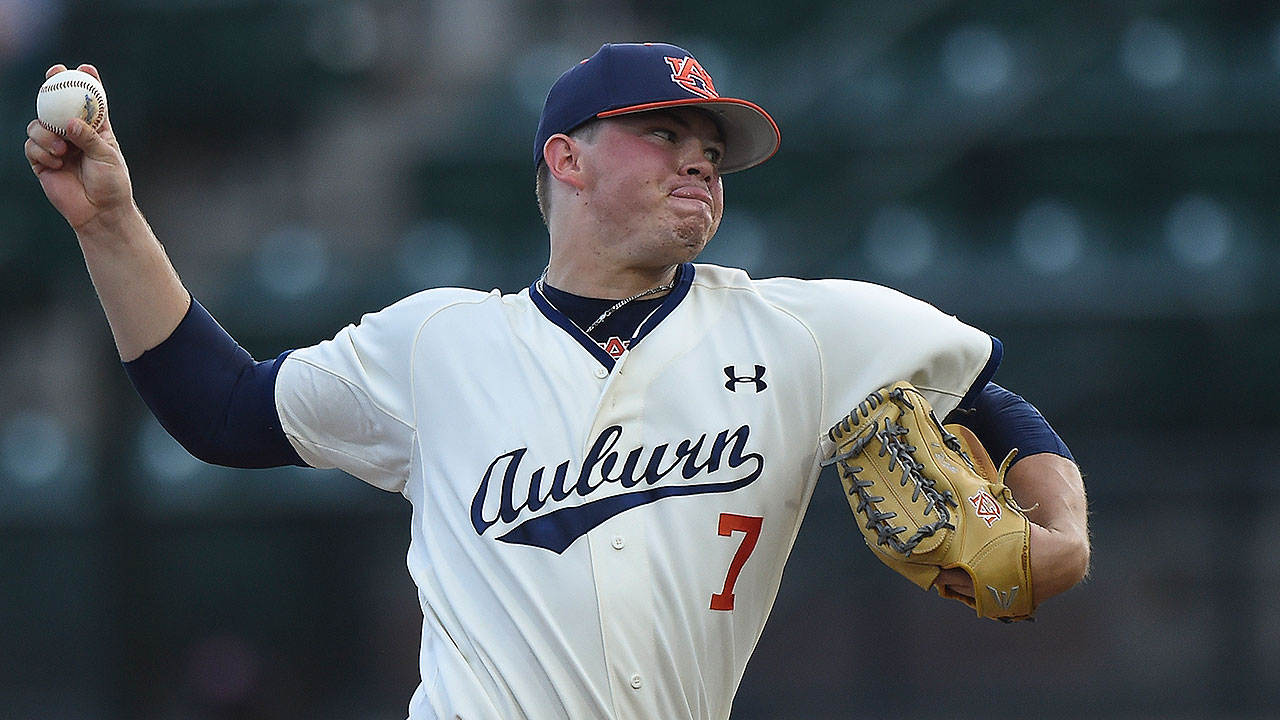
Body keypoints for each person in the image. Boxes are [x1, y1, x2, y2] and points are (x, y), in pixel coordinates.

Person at [26, 43, 1089, 720]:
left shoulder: (800, 333)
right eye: (663, 134)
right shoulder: (438, 346)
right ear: (566, 161)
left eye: (710, 147)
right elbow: (222, 412)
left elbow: (987, 395)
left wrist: (1059, 538)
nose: (699, 160)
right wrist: (112, 222)